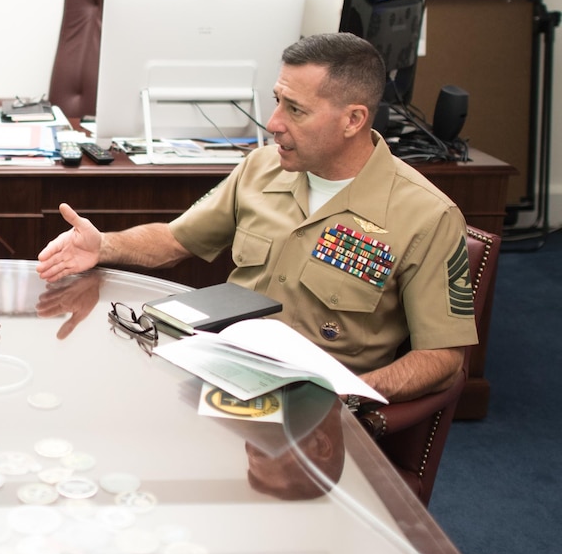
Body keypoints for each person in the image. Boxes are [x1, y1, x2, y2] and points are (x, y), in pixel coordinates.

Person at [37, 32, 477, 402]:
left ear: (353, 120)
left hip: (312, 404)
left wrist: (350, 395)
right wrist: (104, 245)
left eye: (296, 110)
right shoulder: (261, 167)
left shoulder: (426, 216)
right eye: (277, 101)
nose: (273, 122)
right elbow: (175, 241)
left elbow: (442, 358)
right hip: (216, 377)